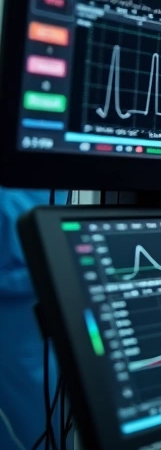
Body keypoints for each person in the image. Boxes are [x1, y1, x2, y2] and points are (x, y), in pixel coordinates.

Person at [0, 188, 61, 450]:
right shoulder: (8, 200)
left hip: (40, 334)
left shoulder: (67, 195)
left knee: (51, 408)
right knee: (30, 417)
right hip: (18, 334)